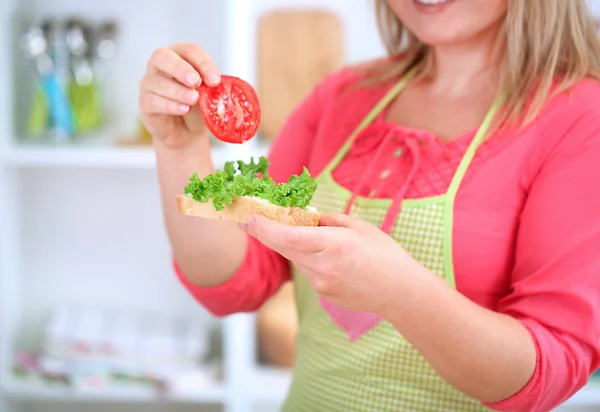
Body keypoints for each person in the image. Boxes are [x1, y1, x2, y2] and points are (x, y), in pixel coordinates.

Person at [139, 0, 600, 410]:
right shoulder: (343, 96)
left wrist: (400, 293)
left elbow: (550, 370)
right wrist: (179, 150)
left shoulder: (581, 117)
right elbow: (234, 280)